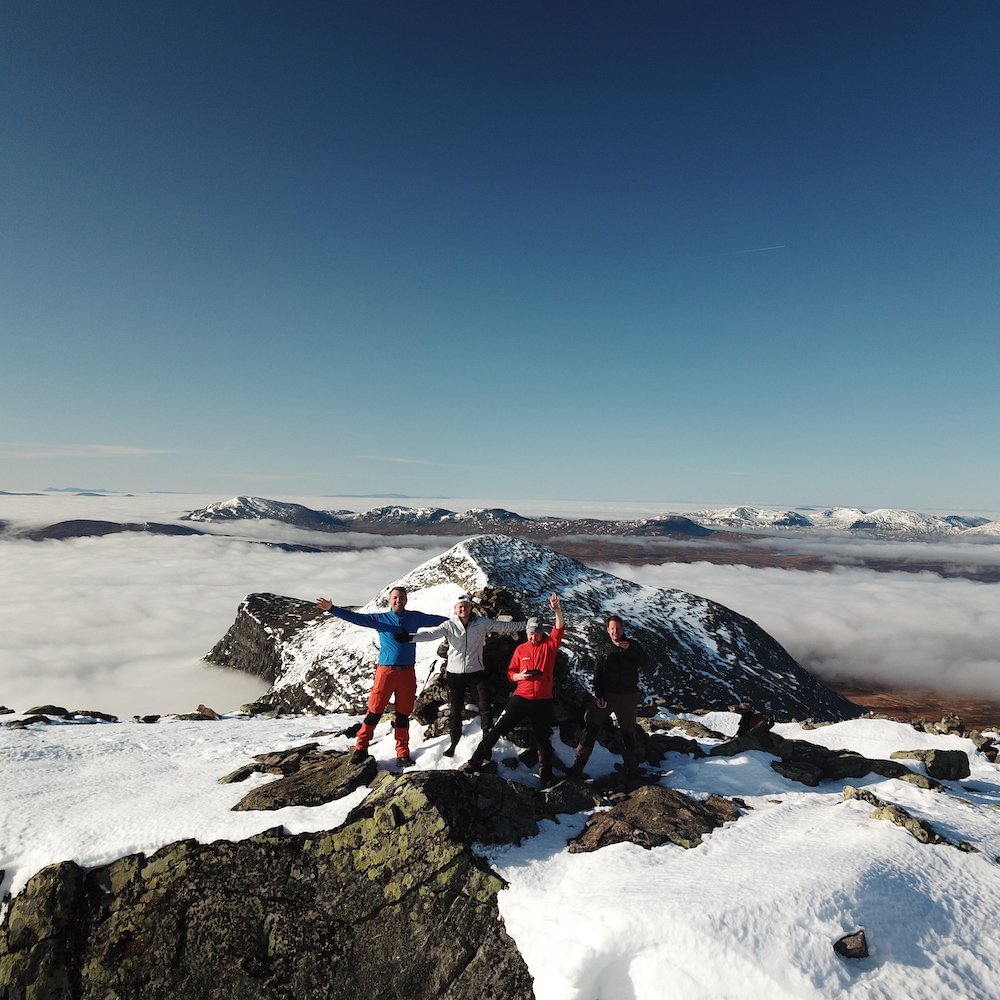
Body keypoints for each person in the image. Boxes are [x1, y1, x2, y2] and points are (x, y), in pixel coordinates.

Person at [316, 586, 446, 767]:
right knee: (374, 711)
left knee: (403, 714)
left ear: (406, 600)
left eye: (401, 597)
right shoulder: (380, 619)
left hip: (407, 672)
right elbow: (356, 618)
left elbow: (440, 621)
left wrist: (462, 618)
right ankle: (361, 748)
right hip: (386, 672)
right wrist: (332, 609)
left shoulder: (415, 617)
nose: (398, 600)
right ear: (389, 600)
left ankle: (402, 753)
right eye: (395, 598)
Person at [462, 593, 564, 786]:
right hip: (520, 698)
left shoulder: (549, 646)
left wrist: (557, 611)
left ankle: (546, 776)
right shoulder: (521, 649)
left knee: (543, 739)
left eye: (536, 633)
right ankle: (474, 761)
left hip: (542, 700)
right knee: (497, 729)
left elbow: (559, 630)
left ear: (541, 632)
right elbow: (510, 673)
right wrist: (520, 676)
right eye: (530, 633)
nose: (533, 636)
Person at [410, 593, 526, 757]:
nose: (463, 609)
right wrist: (410, 638)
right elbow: (431, 634)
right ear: (455, 609)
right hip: (454, 675)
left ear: (471, 607)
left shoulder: (481, 623)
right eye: (460, 607)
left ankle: (486, 742)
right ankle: (454, 741)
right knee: (455, 711)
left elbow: (504, 627)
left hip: (476, 672)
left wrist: (527, 625)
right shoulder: (449, 625)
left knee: (485, 707)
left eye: (465, 606)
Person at [567, 614, 647, 778]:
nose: (615, 631)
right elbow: (598, 671)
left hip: (628, 696)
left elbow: (644, 662)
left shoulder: (633, 645)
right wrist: (599, 694)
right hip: (607, 695)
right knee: (591, 726)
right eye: (612, 628)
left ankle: (631, 768)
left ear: (622, 629)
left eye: (618, 628)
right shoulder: (604, 647)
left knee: (628, 732)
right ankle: (578, 765)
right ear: (607, 630)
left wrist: (630, 649)